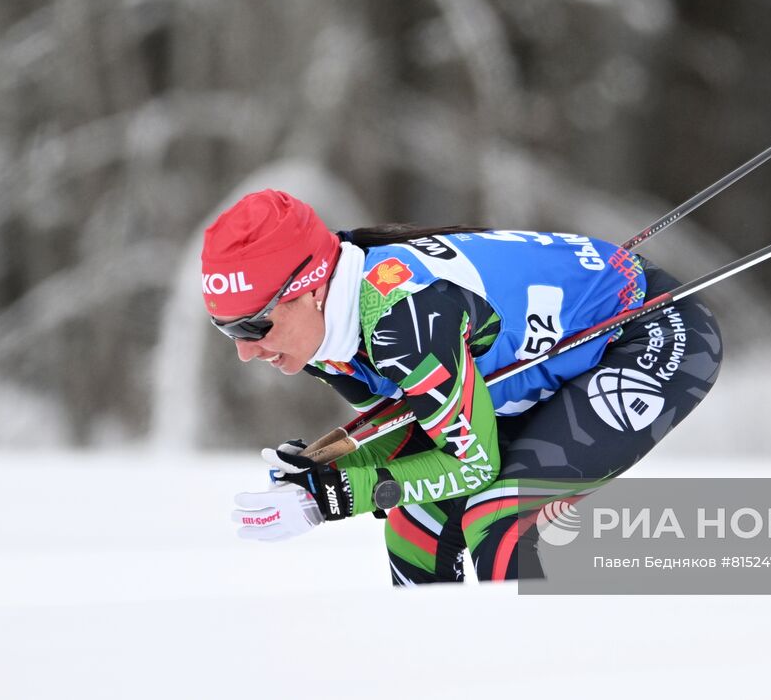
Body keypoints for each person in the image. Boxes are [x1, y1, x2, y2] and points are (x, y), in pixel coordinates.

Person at [208, 189, 721, 584]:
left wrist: (332, 497)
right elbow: (417, 428)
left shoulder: (400, 321)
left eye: (255, 326)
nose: (245, 351)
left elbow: (471, 463)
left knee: (501, 520)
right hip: (555, 353)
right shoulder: (327, 337)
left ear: (312, 290)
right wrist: (321, 474)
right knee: (416, 530)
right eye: (227, 329)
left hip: (646, 329)